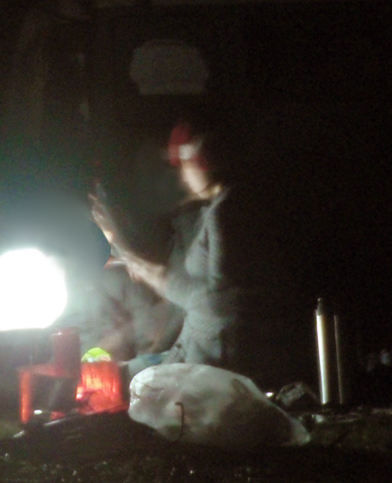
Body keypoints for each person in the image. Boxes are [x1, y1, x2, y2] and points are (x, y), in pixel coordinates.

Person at [89, 122, 271, 385]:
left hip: (214, 355)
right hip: (197, 346)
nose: (183, 177)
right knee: (111, 375)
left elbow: (218, 302)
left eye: (185, 165)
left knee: (118, 382)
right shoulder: (213, 210)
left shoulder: (226, 212)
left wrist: (152, 273)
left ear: (204, 162)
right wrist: (129, 253)